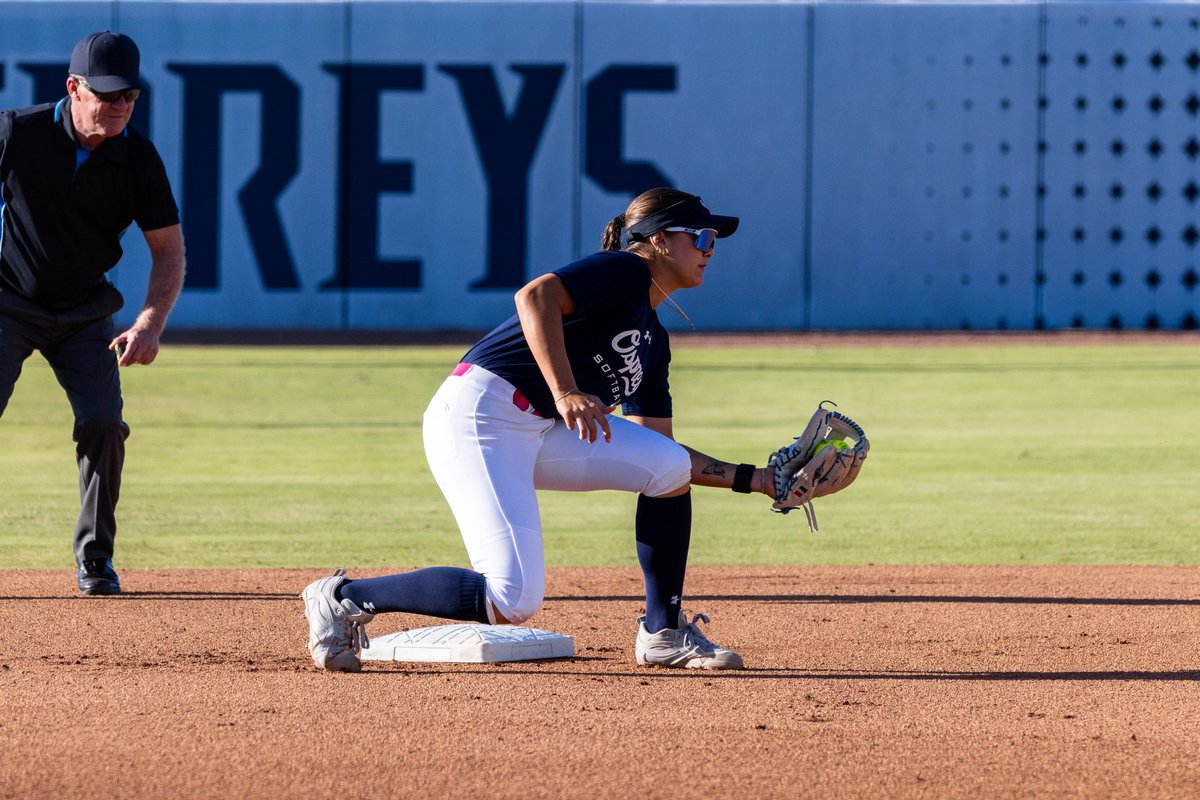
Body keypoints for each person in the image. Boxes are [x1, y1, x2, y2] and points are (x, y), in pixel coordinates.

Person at [303, 188, 790, 672]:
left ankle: (662, 632)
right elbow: (534, 296)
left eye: (714, 240)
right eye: (701, 236)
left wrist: (758, 479)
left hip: (536, 427)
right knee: (511, 599)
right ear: (659, 239)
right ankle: (342, 597)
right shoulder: (625, 269)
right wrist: (565, 392)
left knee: (664, 467)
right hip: (480, 415)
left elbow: (660, 450)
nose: (710, 249)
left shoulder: (652, 343)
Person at [0, 32, 186, 595]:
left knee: (104, 424)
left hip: (84, 313)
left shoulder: (138, 158)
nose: (121, 106)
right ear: (73, 88)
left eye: (129, 94)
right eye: (107, 95)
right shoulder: (18, 132)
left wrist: (149, 323)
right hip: (9, 302)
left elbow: (169, 251)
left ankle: (95, 557)